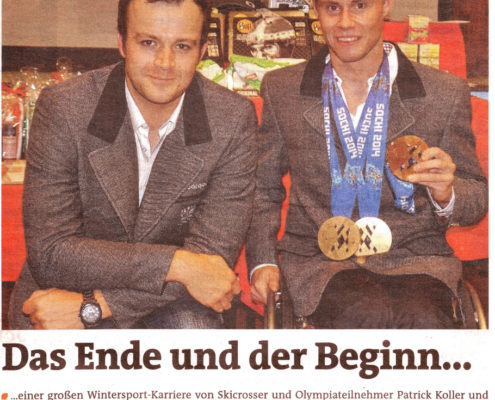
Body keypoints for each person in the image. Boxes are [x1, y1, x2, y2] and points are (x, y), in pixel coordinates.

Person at [10, 0, 257, 329]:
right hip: (61, 293)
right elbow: (52, 253)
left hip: (172, 300)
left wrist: (96, 306)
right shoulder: (65, 107)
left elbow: (211, 264)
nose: (164, 63)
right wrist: (179, 264)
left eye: (182, 46)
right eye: (149, 43)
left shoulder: (232, 118)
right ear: (122, 43)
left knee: (193, 331)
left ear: (201, 52)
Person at [246, 0, 487, 328]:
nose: (345, 22)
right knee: (363, 311)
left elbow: (476, 199)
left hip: (418, 259)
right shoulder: (282, 89)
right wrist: (262, 261)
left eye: (360, 5)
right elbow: (263, 188)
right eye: (332, 8)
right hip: (320, 260)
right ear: (315, 10)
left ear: (385, 6)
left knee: (423, 319)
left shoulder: (443, 93)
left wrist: (448, 193)